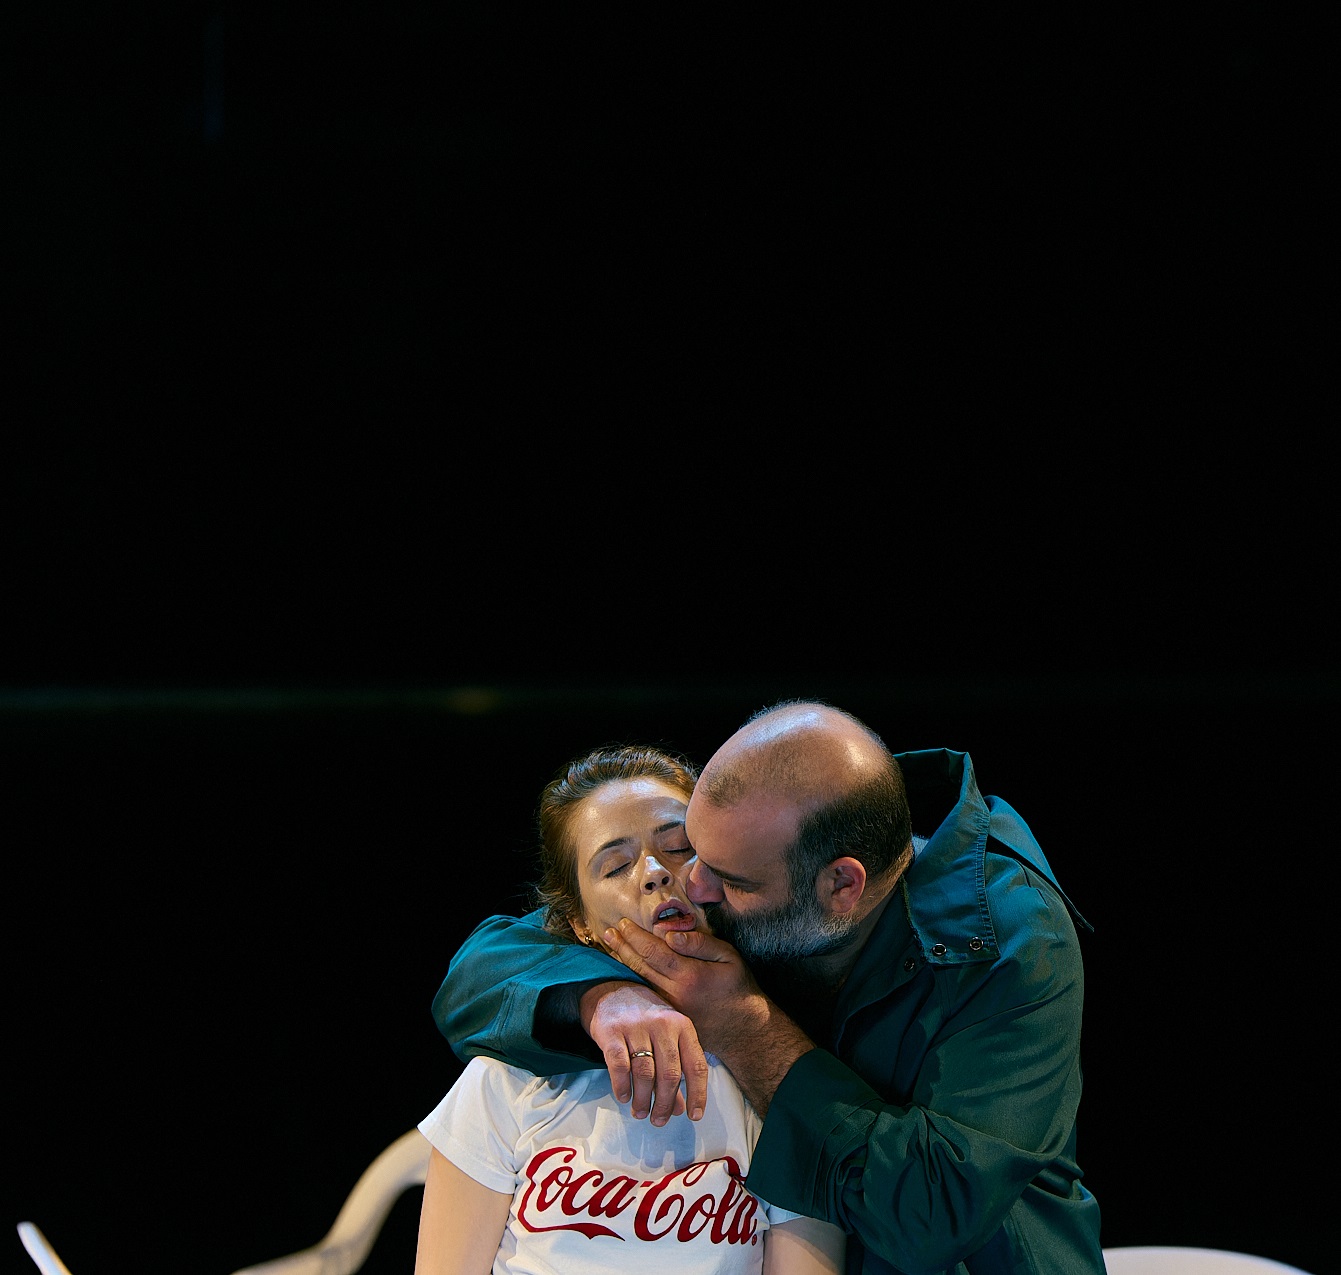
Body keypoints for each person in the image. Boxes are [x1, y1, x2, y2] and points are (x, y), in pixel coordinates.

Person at [432, 701, 1105, 1275]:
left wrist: (746, 1027)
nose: (690, 884)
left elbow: (933, 1212)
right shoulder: (764, 839)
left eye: (721, 875)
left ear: (841, 886)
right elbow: (490, 959)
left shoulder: (1011, 944)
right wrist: (603, 996)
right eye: (694, 849)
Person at [414, 743, 845, 1275]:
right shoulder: (507, 1079)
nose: (654, 872)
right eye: (616, 866)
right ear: (579, 924)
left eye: (680, 848)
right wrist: (605, 995)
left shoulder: (779, 1076)